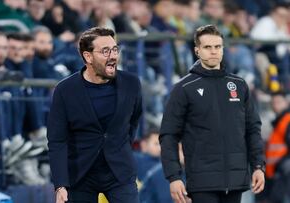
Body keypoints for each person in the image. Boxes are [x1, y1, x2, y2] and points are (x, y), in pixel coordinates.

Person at [159, 24, 265, 203]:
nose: (213, 51)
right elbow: (168, 135)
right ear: (197, 50)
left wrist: (258, 166)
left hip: (236, 180)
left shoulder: (239, 85)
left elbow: (252, 129)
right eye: (207, 47)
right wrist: (174, 177)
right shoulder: (184, 88)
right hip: (202, 182)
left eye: (218, 47)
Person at [47, 27, 143, 203]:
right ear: (88, 57)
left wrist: (120, 146)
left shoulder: (132, 84)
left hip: (119, 171)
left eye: (115, 49)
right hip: (81, 174)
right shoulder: (65, 90)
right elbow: (57, 140)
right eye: (105, 51)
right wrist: (60, 184)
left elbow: (134, 120)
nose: (113, 56)